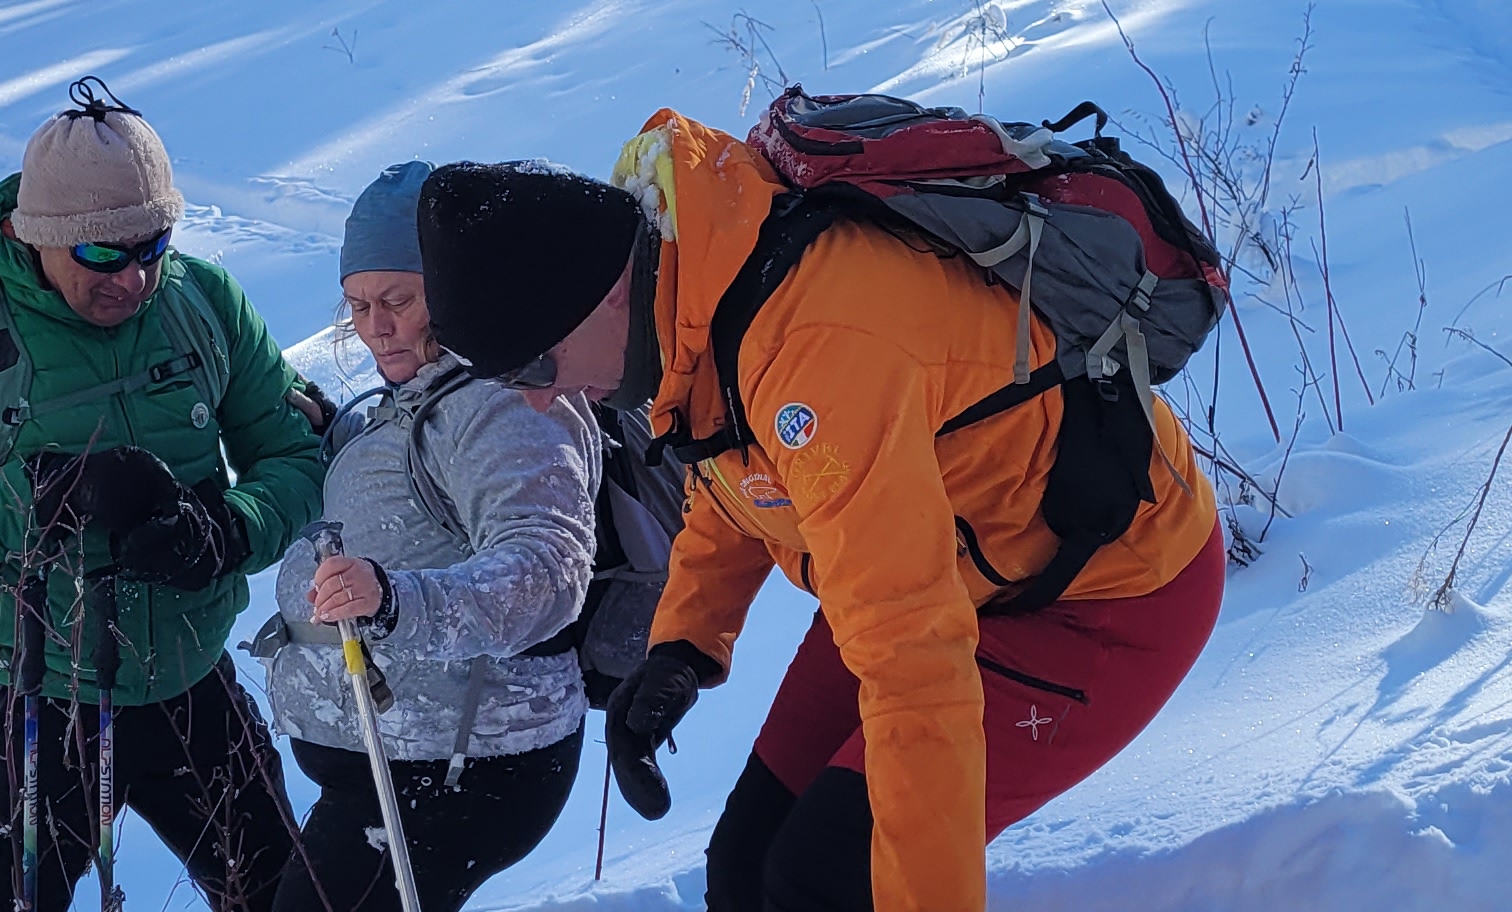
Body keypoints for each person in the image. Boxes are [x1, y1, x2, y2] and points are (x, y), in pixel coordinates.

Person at [411, 118, 1225, 911]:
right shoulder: (698, 276)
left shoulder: (819, 354)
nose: (539, 398)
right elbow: (737, 468)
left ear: (606, 293)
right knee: (744, 864)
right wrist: (685, 644)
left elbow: (914, 670)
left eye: (533, 363)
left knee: (825, 878)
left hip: (1102, 598)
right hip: (938, 557)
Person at [0, 81, 323, 912]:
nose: (133, 278)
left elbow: (297, 456)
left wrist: (228, 530)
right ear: (36, 236)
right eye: (103, 254)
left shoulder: (204, 301)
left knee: (284, 898)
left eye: (153, 245)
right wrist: (40, 496)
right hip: (25, 695)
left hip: (187, 679)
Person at [256, 161, 602, 912]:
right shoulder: (427, 391)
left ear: (452, 287)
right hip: (407, 762)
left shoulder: (505, 404)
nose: (375, 327)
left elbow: (548, 566)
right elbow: (419, 497)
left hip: (462, 765)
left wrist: (394, 602)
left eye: (397, 301)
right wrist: (337, 432)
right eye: (357, 305)